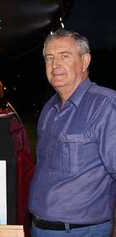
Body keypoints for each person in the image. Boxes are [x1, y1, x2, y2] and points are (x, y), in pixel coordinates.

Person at [29, 29, 116, 237]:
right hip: (40, 227)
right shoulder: (49, 109)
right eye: (49, 58)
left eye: (64, 56)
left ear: (85, 61)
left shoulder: (106, 105)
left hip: (81, 231)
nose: (55, 65)